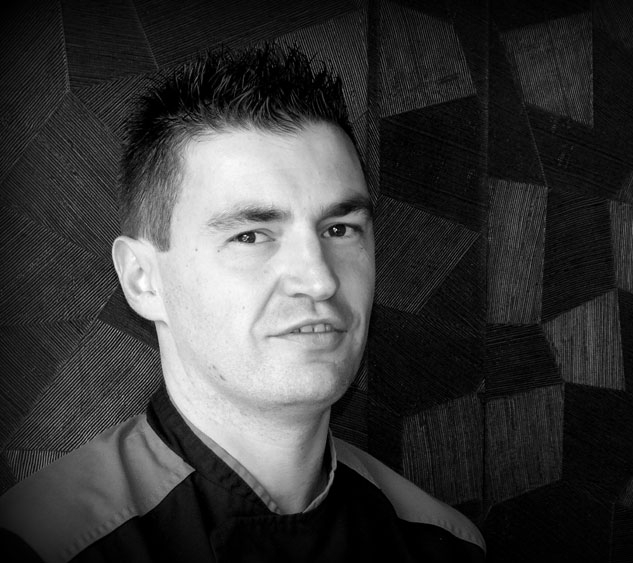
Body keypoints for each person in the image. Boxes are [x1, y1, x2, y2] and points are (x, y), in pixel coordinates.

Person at [0, 44, 485, 562]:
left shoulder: (445, 547)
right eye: (251, 236)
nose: (319, 280)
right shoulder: (42, 545)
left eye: (339, 229)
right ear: (144, 281)